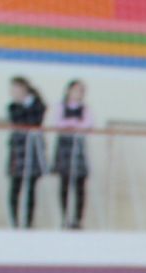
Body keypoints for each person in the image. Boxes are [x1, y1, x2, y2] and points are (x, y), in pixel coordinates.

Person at [6, 76, 47, 228]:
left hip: (33, 149)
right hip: (18, 150)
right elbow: (18, 120)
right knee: (15, 186)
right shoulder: (12, 106)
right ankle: (14, 222)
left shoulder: (38, 105)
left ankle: (28, 222)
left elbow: (34, 121)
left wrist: (28, 108)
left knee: (31, 188)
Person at [52, 79, 92, 229]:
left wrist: (72, 123)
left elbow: (88, 124)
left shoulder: (85, 109)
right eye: (75, 90)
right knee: (65, 183)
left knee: (80, 185)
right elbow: (58, 123)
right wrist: (74, 123)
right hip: (65, 147)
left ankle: (78, 218)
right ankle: (65, 217)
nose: (77, 93)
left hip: (78, 147)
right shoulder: (61, 107)